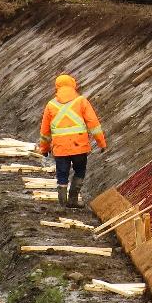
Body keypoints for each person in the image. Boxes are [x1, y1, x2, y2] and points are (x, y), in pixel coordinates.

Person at [38, 73, 107, 208]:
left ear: (56, 87)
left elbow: (45, 131)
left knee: (62, 174)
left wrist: (44, 149)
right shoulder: (81, 101)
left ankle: (62, 204)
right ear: (73, 85)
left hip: (60, 149)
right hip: (79, 147)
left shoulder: (50, 105)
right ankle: (73, 199)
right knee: (79, 171)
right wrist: (101, 143)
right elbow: (94, 124)